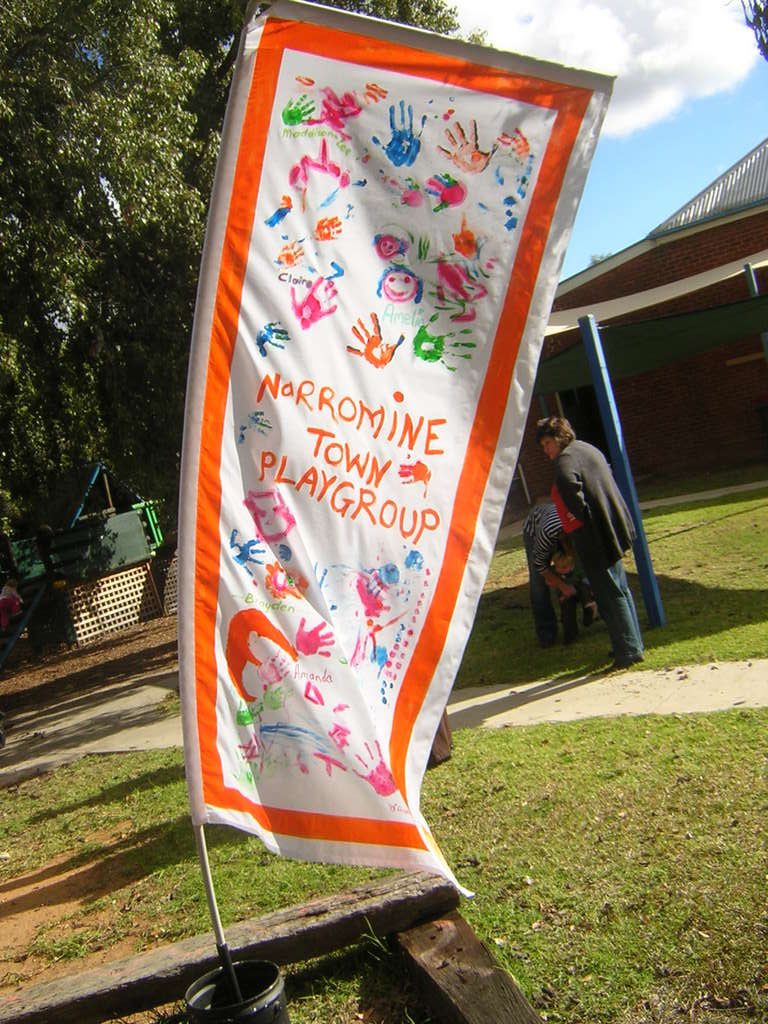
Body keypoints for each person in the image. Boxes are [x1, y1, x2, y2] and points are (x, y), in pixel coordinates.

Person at [536, 416, 644, 669]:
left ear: (559, 438)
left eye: (547, 443)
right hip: (610, 528)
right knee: (620, 587)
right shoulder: (586, 448)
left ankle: (627, 651)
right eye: (543, 446)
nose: (546, 450)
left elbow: (568, 486)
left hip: (593, 536)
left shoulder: (566, 459)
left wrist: (581, 518)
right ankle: (631, 644)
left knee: (609, 593)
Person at [522, 499, 575, 646]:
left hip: (558, 525)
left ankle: (572, 624)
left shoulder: (578, 527)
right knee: (538, 583)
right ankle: (546, 632)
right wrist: (562, 586)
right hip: (534, 528)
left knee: (570, 573)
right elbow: (539, 564)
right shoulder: (547, 533)